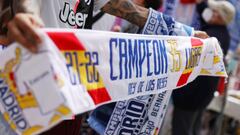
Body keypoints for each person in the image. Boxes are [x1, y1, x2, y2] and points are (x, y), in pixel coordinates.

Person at [0, 0, 209, 135]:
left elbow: (131, 10)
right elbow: (26, 3)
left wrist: (183, 31)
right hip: (28, 94)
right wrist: (25, 15)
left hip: (72, 101)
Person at [172, 1, 235, 135]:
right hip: (202, 95)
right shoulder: (223, 33)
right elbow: (203, 11)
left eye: (213, 10)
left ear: (219, 16)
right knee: (193, 128)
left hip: (191, 94)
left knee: (181, 129)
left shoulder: (210, 35)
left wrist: (180, 91)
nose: (209, 11)